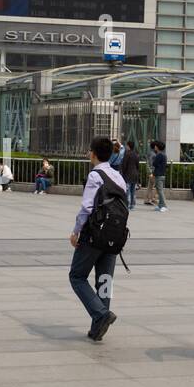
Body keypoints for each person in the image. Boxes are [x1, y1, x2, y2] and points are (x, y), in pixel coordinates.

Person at [69, 136, 127, 342]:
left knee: (77, 276)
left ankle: (101, 315)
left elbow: (87, 208)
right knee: (104, 280)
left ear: (93, 153)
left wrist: (76, 231)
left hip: (94, 235)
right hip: (114, 236)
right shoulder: (118, 176)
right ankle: (97, 328)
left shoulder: (95, 175)